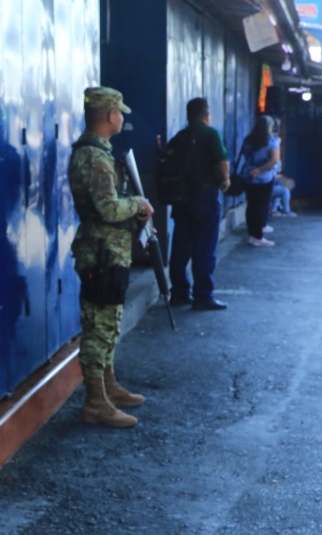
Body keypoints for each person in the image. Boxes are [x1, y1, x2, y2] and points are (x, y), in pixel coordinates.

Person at [68, 87, 153, 428]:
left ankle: (108, 387)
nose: (122, 118)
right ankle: (95, 402)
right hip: (100, 255)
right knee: (98, 328)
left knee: (108, 323)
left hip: (107, 252)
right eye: (120, 112)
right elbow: (107, 207)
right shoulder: (95, 157)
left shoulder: (97, 153)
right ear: (109, 115)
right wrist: (139, 204)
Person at [168, 97, 230, 310]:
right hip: (205, 198)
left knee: (180, 247)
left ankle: (179, 293)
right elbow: (221, 161)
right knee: (204, 248)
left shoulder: (179, 137)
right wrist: (226, 178)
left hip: (181, 199)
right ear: (206, 115)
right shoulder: (210, 134)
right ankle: (203, 296)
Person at [239, 115, 280, 246]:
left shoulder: (248, 140)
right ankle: (257, 236)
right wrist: (260, 170)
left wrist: (253, 169)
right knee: (261, 206)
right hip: (264, 178)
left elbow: (245, 155)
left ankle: (252, 233)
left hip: (248, 176)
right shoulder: (271, 141)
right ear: (269, 127)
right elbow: (274, 160)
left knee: (251, 206)